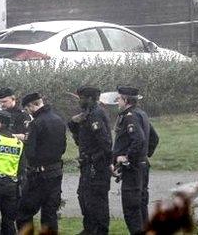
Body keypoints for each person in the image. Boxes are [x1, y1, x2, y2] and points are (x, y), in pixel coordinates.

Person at [17, 92, 66, 234]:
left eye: (27, 109)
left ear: (33, 105)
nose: (28, 112)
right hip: (56, 172)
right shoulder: (59, 120)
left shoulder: (36, 123)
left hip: (38, 175)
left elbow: (30, 152)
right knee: (49, 214)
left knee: (24, 213)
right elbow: (63, 147)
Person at [112, 86, 159, 235]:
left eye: (119, 98)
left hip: (133, 169)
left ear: (126, 100)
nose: (117, 101)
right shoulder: (142, 114)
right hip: (142, 166)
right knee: (141, 206)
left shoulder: (130, 116)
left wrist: (126, 157)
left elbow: (138, 139)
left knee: (131, 209)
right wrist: (145, 155)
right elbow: (154, 138)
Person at [68, 85, 112, 235]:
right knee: (84, 197)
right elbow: (81, 137)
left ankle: (99, 230)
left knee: (96, 201)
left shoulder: (96, 115)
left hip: (96, 166)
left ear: (91, 99)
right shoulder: (87, 113)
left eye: (82, 98)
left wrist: (97, 160)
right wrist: (73, 122)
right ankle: (89, 229)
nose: (79, 101)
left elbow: (105, 143)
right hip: (87, 165)